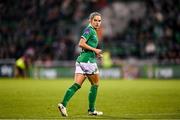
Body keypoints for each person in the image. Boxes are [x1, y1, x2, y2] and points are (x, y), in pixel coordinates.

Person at [58, 12, 103, 117]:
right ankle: (91, 110)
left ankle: (63, 104)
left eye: (99, 21)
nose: (97, 23)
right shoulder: (89, 30)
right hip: (88, 62)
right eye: (95, 20)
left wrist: (95, 53)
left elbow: (86, 47)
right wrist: (95, 50)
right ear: (90, 20)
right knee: (95, 84)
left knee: (77, 85)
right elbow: (81, 43)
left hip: (81, 60)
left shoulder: (92, 31)